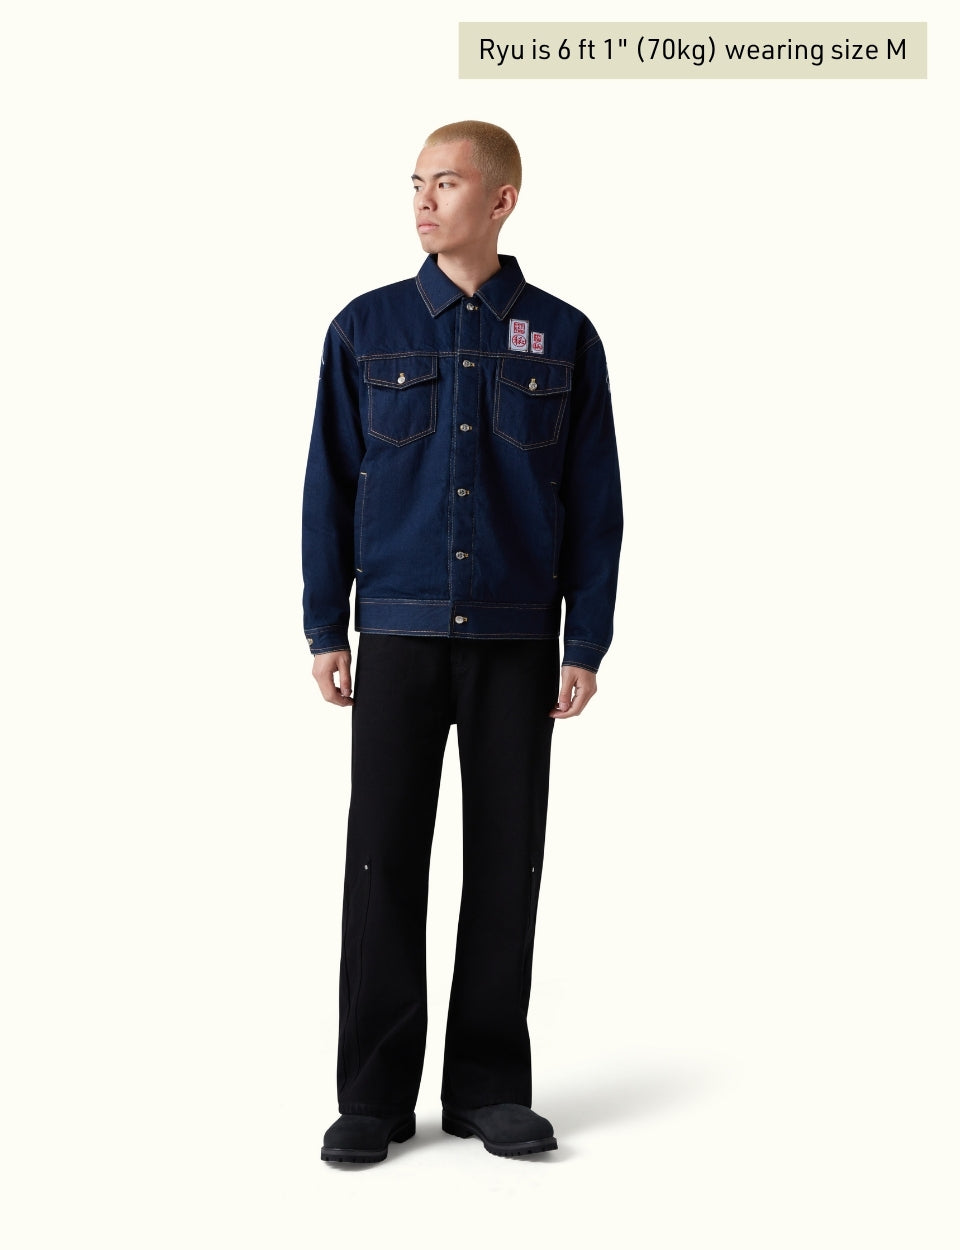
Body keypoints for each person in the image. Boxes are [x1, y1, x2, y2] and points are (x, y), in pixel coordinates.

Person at [303, 120, 622, 1164]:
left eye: (444, 183)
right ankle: (373, 1095)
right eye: (415, 183)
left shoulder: (564, 336)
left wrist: (585, 638)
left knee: (505, 862)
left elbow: (594, 500)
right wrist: (325, 622)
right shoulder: (365, 328)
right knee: (381, 858)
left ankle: (488, 1087)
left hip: (517, 637)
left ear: (501, 199)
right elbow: (326, 483)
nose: (423, 201)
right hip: (396, 631)